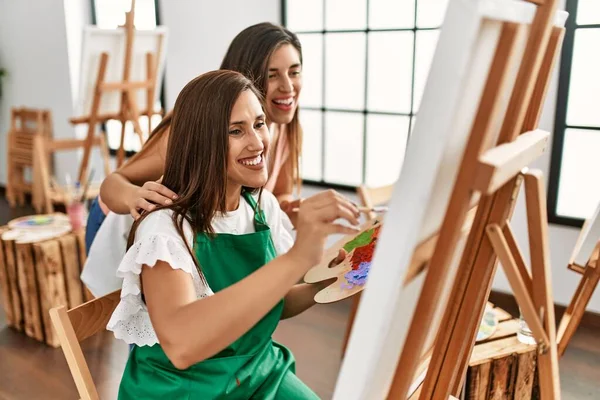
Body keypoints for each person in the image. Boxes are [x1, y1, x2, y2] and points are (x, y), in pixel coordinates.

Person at [107, 70, 359, 399]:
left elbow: (273, 302)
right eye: (235, 131)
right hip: (185, 389)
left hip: (256, 371)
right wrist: (298, 258)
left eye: (258, 124)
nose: (257, 143)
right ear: (202, 142)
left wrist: (324, 282)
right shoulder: (166, 228)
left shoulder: (261, 207)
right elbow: (182, 346)